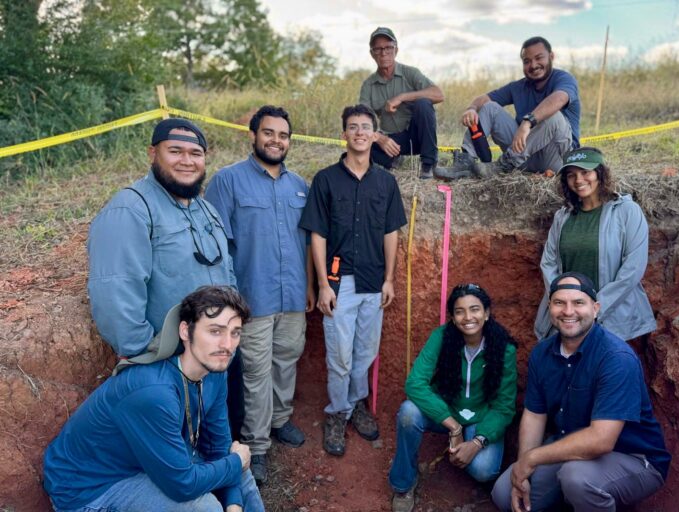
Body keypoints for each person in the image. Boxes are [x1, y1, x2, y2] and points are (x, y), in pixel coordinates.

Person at [43, 286, 265, 512]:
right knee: (205, 507)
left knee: (242, 476)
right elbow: (182, 485)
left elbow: (219, 447)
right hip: (90, 488)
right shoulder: (153, 392)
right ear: (185, 331)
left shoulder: (215, 373)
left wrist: (234, 503)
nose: (227, 345)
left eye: (235, 333)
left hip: (145, 461)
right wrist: (235, 464)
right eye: (215, 331)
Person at [491, 273, 670, 512]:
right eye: (559, 302)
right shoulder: (541, 354)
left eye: (578, 303)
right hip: (571, 450)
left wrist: (533, 458)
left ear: (595, 309)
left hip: (632, 457)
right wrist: (523, 467)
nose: (568, 311)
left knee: (577, 478)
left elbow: (601, 440)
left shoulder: (616, 358)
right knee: (504, 494)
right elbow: (534, 415)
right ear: (549, 307)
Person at [205, 105, 315, 484]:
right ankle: (257, 444)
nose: (275, 141)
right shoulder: (227, 181)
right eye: (268, 133)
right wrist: (227, 301)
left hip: (293, 297)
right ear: (253, 136)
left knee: (287, 361)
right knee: (255, 373)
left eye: (283, 135)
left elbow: (308, 242)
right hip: (252, 299)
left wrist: (309, 287)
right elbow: (217, 246)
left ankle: (280, 419)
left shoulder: (299, 185)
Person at [299, 104, 407, 457]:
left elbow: (391, 232)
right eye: (353, 127)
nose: (359, 132)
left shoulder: (386, 182)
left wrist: (389, 279)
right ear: (343, 133)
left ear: (375, 135)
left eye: (365, 127)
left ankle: (357, 404)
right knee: (340, 356)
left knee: (365, 353)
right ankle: (337, 413)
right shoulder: (326, 180)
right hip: (339, 282)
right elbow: (317, 234)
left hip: (374, 282)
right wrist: (322, 285)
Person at [87, 118, 236, 365]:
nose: (187, 161)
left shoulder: (206, 209)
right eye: (175, 151)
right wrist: (148, 352)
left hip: (219, 352)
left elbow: (227, 271)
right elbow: (114, 292)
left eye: (195, 153)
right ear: (153, 153)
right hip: (171, 361)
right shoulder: (130, 210)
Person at [389, 284, 518, 512]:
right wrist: (454, 427)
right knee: (408, 412)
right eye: (460, 311)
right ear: (453, 317)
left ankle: (469, 449)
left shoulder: (504, 349)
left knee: (484, 470)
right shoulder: (441, 337)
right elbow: (414, 383)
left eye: (475, 309)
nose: (468, 317)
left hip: (481, 418)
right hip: (447, 411)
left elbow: (504, 406)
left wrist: (477, 443)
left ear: (487, 313)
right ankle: (404, 483)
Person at [534, 147, 657, 342]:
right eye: (571, 175)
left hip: (613, 319)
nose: (578, 180)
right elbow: (548, 263)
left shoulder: (627, 211)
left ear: (600, 173)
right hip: (570, 318)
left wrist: (595, 307)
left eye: (585, 172)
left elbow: (633, 268)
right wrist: (564, 303)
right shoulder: (562, 216)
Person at [436, 36, 580, 180]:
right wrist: (471, 108)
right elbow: (485, 98)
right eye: (527, 61)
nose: (533, 65)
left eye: (539, 58)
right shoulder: (519, 86)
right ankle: (465, 163)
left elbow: (560, 98)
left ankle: (503, 165)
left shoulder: (564, 79)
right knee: (490, 107)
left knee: (554, 116)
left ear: (551, 56)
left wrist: (528, 122)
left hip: (557, 158)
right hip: (524, 158)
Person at [360, 27, 445, 180]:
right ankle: (392, 161)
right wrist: (380, 138)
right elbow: (361, 121)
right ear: (372, 54)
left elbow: (438, 94)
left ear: (396, 50)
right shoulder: (368, 85)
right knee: (358, 145)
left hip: (417, 136)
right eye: (378, 49)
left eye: (388, 47)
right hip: (390, 140)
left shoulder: (410, 73)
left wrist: (403, 97)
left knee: (423, 103)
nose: (383, 53)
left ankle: (428, 163)